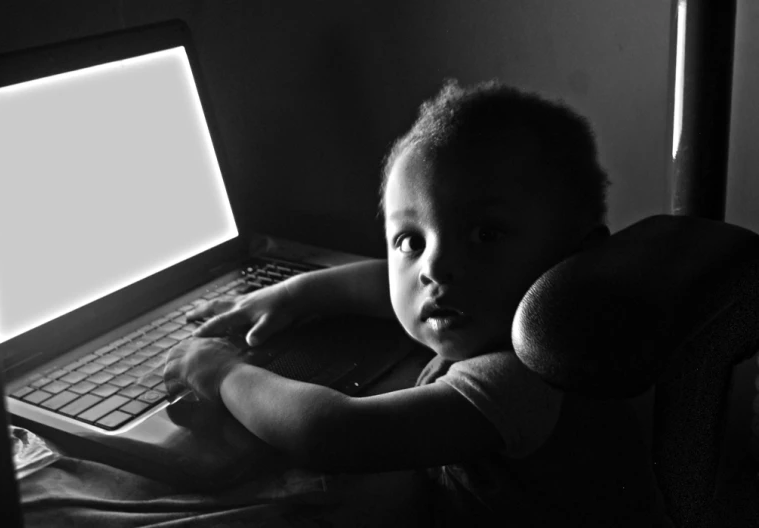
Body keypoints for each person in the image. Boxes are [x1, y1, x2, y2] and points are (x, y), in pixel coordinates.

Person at [164, 80, 672, 526]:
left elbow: (334, 433)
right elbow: (384, 284)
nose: (433, 267)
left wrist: (221, 372)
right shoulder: (489, 308)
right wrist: (293, 294)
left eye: (485, 234)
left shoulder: (524, 379)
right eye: (411, 240)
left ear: (577, 260)